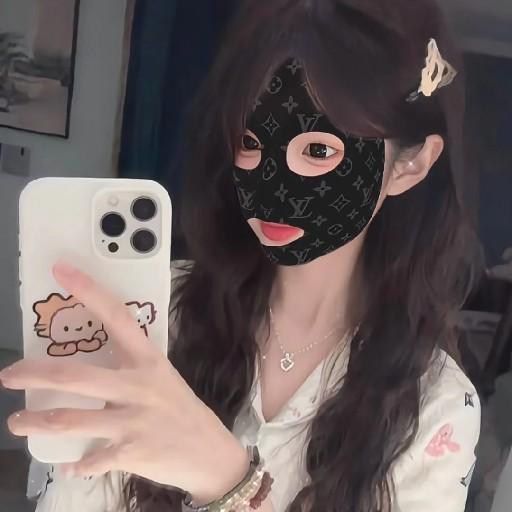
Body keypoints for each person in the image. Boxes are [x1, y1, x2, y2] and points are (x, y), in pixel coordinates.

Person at [1, 0, 481, 511]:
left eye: (318, 151)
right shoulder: (152, 311)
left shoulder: (437, 407)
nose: (270, 189)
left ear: (410, 165)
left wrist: (227, 481)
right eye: (251, 142)